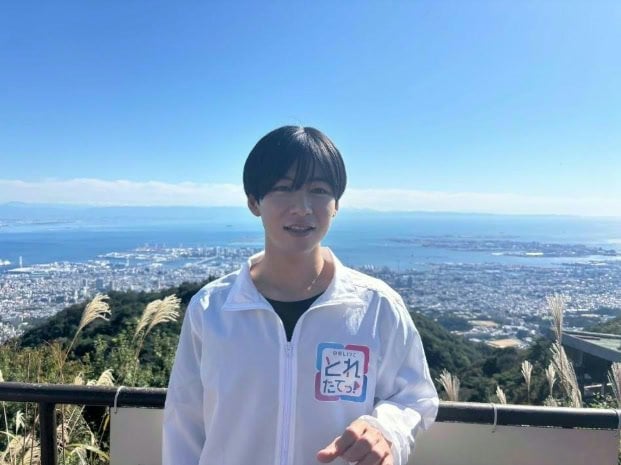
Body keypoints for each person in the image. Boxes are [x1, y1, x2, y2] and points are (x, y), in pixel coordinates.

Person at [162, 126, 438, 465]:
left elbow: (414, 397)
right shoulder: (212, 309)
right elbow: (184, 422)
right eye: (283, 189)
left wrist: (386, 430)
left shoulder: (376, 307)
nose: (302, 207)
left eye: (319, 190)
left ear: (336, 205)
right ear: (254, 202)